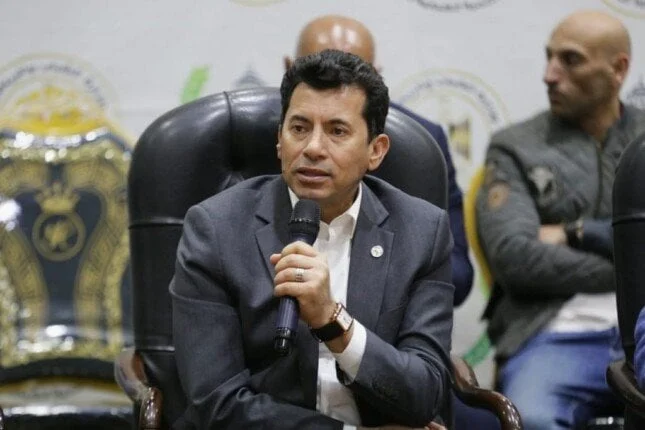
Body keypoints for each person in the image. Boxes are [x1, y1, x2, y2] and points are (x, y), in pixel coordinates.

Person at [171, 49, 454, 429]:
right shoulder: (215, 229)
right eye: (299, 128)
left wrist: (333, 322)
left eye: (337, 131)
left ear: (375, 151)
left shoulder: (422, 232)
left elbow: (425, 393)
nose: (313, 148)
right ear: (279, 139)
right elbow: (216, 403)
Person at [476, 10, 645, 429]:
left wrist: (575, 232)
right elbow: (514, 257)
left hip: (644, 327)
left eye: (571, 60)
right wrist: (633, 266)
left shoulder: (643, 144)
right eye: (549, 57)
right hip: (555, 335)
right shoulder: (515, 147)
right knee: (532, 418)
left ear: (618, 69)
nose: (549, 74)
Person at [284, 15, 473, 307]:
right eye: (318, 70)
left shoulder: (421, 141)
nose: (314, 147)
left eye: (338, 131)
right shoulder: (242, 134)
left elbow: (457, 276)